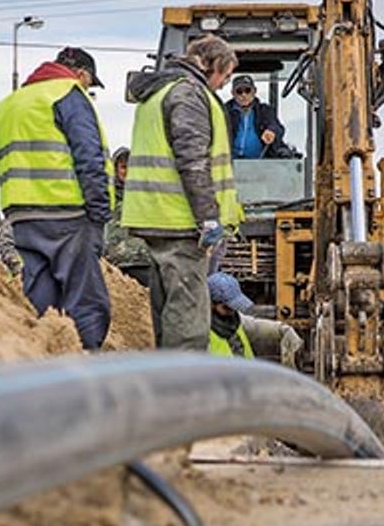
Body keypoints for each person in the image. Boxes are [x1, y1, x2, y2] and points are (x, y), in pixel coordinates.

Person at [122, 35, 241, 350]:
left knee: (168, 311)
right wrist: (210, 219)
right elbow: (193, 161)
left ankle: (170, 380)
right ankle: (187, 391)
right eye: (225, 76)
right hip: (179, 221)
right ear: (212, 64)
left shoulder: (157, 93)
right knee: (188, 319)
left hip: (154, 216)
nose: (223, 85)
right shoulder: (188, 94)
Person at [0, 46, 113, 350]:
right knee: (86, 300)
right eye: (89, 84)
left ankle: (42, 361)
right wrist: (99, 212)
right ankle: (89, 363)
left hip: (22, 215)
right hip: (67, 214)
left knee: (40, 298)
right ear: (81, 74)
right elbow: (89, 156)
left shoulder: (12, 102)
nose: (88, 90)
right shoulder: (69, 94)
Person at [207, 272, 304, 365]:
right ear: (211, 304)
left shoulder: (235, 321)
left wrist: (283, 330)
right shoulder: (201, 332)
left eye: (234, 307)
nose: (231, 312)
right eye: (227, 307)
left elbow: (257, 327)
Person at [103, 146, 153, 286]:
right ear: (115, 169)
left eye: (132, 167)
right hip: (115, 262)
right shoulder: (107, 196)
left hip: (143, 260)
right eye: (124, 167)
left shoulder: (147, 195)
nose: (128, 172)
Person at [224, 75, 290, 159]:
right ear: (233, 93)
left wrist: (271, 131)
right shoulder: (224, 112)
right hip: (229, 162)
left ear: (254, 91)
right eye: (239, 91)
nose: (244, 95)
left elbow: (276, 126)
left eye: (247, 90)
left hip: (260, 163)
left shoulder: (264, 110)